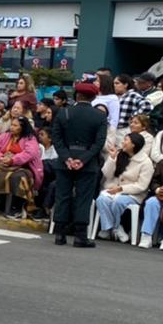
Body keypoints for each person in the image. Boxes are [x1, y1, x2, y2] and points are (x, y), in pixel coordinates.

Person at [49, 80, 110, 246]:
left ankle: (59, 234)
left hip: (64, 161)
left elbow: (56, 138)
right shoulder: (99, 116)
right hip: (88, 163)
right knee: (84, 197)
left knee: (63, 196)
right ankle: (80, 236)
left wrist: (67, 157)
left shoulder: (63, 113)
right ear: (93, 97)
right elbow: (99, 142)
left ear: (77, 95)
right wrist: (82, 159)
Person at [94, 132, 154, 242]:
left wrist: (122, 189)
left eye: (126, 140)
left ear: (133, 145)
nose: (122, 142)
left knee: (119, 202)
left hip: (133, 194)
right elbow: (107, 174)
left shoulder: (146, 162)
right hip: (113, 189)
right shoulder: (119, 155)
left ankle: (113, 227)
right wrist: (111, 159)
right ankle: (112, 228)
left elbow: (142, 185)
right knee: (101, 199)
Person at [0, 116, 42, 219]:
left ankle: (16, 208)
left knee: (18, 178)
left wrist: (13, 160)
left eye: (15, 125)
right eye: (11, 125)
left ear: (22, 127)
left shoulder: (30, 138)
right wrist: (1, 158)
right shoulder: (4, 136)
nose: (12, 127)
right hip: (3, 164)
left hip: (24, 167)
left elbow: (30, 153)